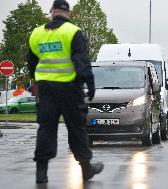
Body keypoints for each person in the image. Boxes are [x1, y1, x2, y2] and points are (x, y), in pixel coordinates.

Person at [27, 0, 103, 183]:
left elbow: (31, 64)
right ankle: (86, 168)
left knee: (46, 127)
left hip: (45, 89)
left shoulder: (36, 34)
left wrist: (38, 81)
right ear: (68, 13)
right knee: (77, 128)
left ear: (52, 11)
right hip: (69, 88)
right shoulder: (73, 32)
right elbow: (81, 61)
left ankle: (41, 172)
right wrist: (90, 83)